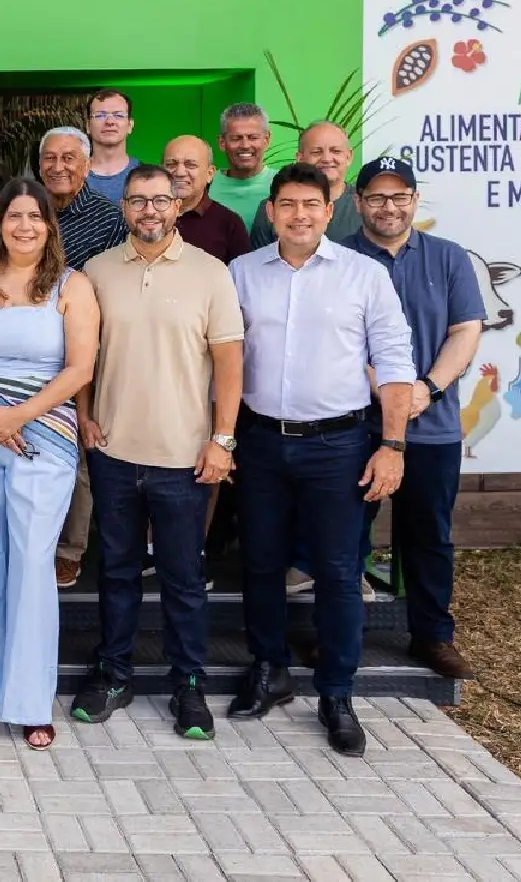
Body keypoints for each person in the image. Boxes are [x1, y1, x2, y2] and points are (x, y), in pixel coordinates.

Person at [228, 164, 414, 756]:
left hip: (338, 445)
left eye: (311, 204)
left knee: (337, 572)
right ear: (272, 211)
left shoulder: (364, 276)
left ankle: (337, 691)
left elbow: (393, 361)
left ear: (331, 210)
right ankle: (269, 668)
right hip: (259, 441)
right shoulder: (241, 274)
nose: (299, 215)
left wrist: (392, 445)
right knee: (261, 562)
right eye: (288, 204)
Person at [73, 165, 244, 741]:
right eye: (138, 200)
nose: (149, 210)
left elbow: (229, 367)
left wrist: (223, 440)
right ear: (123, 207)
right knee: (117, 571)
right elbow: (83, 359)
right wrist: (86, 415)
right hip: (114, 451)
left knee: (182, 576)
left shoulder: (211, 274)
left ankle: (188, 683)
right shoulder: (95, 273)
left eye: (160, 200)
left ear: (178, 205)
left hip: (184, 455)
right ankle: (114, 673)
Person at [0, 179, 98, 750]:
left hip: (46, 431)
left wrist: (19, 416)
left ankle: (32, 698)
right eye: (14, 216)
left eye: (35, 217)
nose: (25, 226)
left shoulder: (73, 286)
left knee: (33, 557)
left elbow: (79, 369)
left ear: (49, 226)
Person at [346, 156, 484, 681]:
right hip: (358, 423)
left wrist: (425, 388)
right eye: (377, 197)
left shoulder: (448, 258)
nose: (388, 206)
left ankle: (432, 635)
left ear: (414, 200)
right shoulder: (339, 258)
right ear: (358, 203)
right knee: (346, 537)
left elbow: (465, 331)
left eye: (398, 196)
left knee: (428, 535)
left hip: (433, 425)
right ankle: (343, 635)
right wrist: (386, 393)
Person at [35, 125, 125, 587]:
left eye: (69, 157)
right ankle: (36, 542)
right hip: (30, 350)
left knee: (80, 451)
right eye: (50, 158)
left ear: (87, 165)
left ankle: (70, 548)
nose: (59, 166)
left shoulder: (109, 218)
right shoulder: (26, 210)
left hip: (85, 351)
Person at [248, 121, 362, 247]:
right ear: (300, 158)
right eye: (316, 152)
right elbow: (258, 261)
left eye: (335, 151)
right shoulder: (272, 208)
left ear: (349, 156)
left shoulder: (364, 206)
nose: (326, 158)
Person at [163, 135, 251, 265]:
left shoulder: (229, 224)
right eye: (171, 164)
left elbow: (240, 279)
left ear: (210, 174)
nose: (180, 172)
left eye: (190, 165)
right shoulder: (147, 216)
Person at [210, 103, 276, 229]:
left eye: (253, 137)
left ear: (266, 140)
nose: (245, 145)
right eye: (236, 138)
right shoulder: (206, 185)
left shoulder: (284, 183)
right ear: (222, 142)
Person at [83, 89, 141, 204]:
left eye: (119, 115)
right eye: (100, 115)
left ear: (130, 125)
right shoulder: (73, 176)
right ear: (88, 126)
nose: (110, 122)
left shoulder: (145, 175)